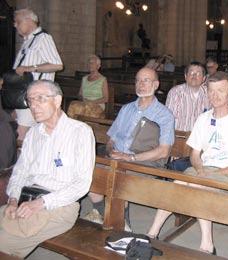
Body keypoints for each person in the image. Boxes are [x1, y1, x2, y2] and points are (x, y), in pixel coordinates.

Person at [147, 71, 228, 254]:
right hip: (201, 171)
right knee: (176, 185)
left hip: (226, 175)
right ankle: (152, 233)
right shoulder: (203, 119)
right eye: (211, 91)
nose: (215, 95)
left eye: (220, 90)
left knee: (199, 188)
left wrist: (213, 174)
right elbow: (194, 154)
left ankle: (207, 245)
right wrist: (199, 168)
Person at [0, 80, 95, 257]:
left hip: (60, 205)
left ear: (57, 101)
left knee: (4, 240)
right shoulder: (33, 133)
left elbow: (82, 183)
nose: (33, 105)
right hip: (26, 197)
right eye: (30, 100)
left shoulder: (80, 132)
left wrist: (41, 203)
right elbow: (20, 171)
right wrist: (13, 199)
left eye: (40, 99)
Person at [85, 68, 175, 225]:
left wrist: (130, 157)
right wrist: (111, 150)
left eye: (146, 80)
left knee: (120, 181)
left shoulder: (164, 115)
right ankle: (102, 212)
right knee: (88, 173)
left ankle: (121, 222)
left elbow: (164, 151)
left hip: (143, 162)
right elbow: (112, 138)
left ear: (156, 85)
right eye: (138, 80)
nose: (141, 84)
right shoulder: (126, 109)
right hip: (117, 157)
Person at [12, 9, 63, 140]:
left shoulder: (43, 38)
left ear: (29, 21)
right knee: (24, 135)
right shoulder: (28, 41)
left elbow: (57, 65)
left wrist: (29, 68)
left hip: (36, 96)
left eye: (18, 21)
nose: (15, 25)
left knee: (21, 135)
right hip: (22, 95)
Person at [165, 62, 210, 132]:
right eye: (191, 73)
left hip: (201, 137)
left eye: (198, 73)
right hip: (180, 135)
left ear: (204, 78)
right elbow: (169, 120)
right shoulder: (176, 92)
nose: (194, 76)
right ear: (185, 76)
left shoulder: (209, 93)